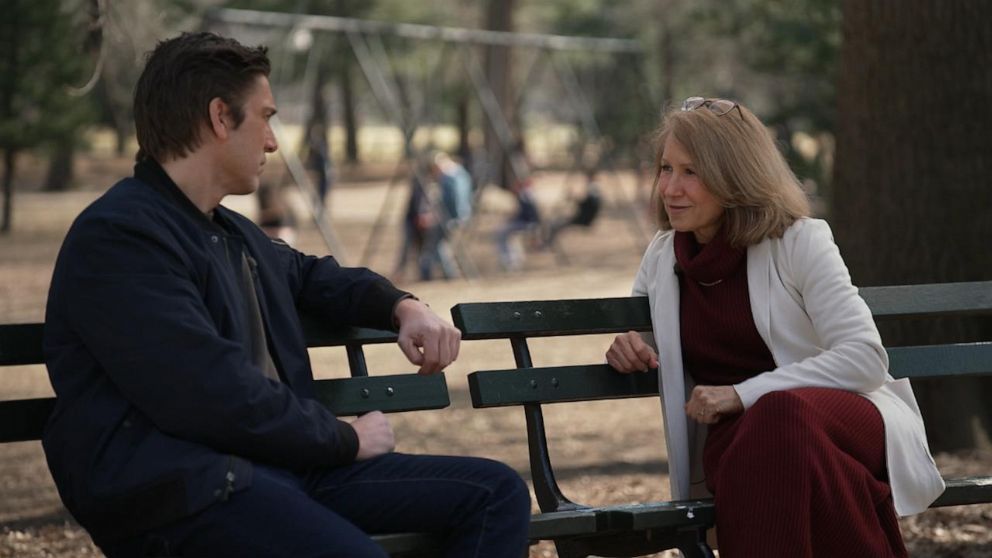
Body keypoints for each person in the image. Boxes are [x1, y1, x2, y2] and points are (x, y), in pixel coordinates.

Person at [42, 32, 530, 558]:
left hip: (278, 472)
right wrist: (346, 440)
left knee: (494, 493)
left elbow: (313, 277)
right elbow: (210, 392)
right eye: (266, 117)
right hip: (181, 491)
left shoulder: (228, 232)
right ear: (220, 118)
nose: (273, 141)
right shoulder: (122, 237)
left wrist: (401, 306)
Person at [605, 97, 944, 556]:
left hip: (847, 418)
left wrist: (744, 394)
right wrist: (629, 347)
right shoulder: (663, 259)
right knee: (786, 446)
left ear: (734, 175)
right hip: (744, 443)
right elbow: (649, 343)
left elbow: (865, 359)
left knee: (778, 415)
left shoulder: (800, 241)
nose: (671, 188)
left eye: (692, 172)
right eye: (666, 169)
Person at [419, 151, 472, 280]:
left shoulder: (449, 178)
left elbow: (453, 199)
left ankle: (446, 273)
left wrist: (454, 217)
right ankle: (443, 272)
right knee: (439, 245)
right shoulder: (461, 174)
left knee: (438, 245)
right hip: (460, 214)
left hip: (453, 217)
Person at [544, 167, 602, 247]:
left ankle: (548, 243)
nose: (586, 179)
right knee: (557, 222)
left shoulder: (593, 189)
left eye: (587, 177)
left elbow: (587, 205)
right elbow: (587, 204)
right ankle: (548, 242)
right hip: (584, 217)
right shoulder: (594, 188)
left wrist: (573, 198)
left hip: (584, 219)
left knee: (555, 224)